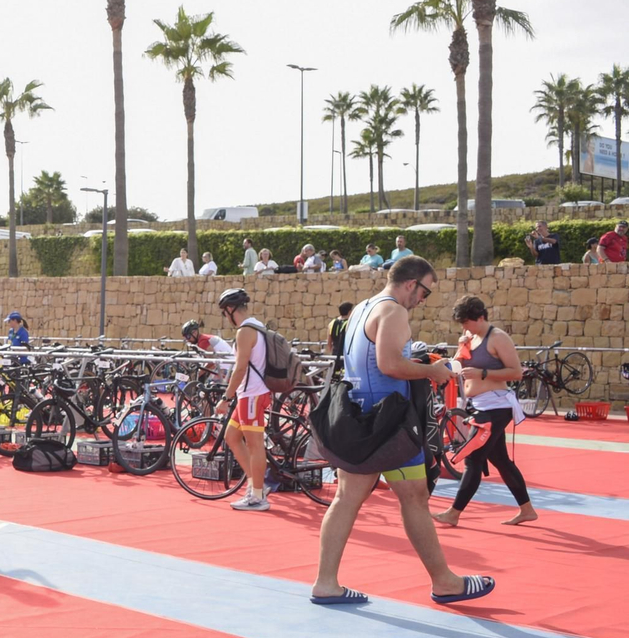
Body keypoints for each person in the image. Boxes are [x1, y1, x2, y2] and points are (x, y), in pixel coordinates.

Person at [310, 256, 495, 606]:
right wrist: (432, 372)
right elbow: (389, 364)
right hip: (391, 424)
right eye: (425, 292)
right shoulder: (393, 311)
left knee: (347, 498)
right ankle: (445, 582)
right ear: (411, 283)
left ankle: (326, 582)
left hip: (361, 418)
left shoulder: (363, 308)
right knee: (414, 498)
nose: (423, 300)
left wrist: (419, 365)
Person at [431, 295, 538, 529]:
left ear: (480, 317)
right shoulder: (471, 337)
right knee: (500, 460)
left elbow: (516, 372)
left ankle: (454, 513)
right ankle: (527, 509)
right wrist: (461, 349)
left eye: (466, 322)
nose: (464, 327)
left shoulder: (498, 338)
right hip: (480, 405)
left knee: (473, 458)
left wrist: (483, 373)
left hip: (496, 406)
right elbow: (459, 366)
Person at [213, 289, 273, 511]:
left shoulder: (245, 331)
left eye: (224, 313)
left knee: (255, 446)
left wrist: (226, 397)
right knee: (231, 436)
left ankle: (258, 496)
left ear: (230, 310)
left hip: (251, 395)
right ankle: (256, 484)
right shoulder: (257, 326)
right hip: (250, 394)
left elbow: (240, 368)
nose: (225, 317)